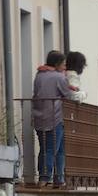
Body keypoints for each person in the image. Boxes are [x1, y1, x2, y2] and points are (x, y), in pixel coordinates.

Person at [32, 50, 75, 187]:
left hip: (39, 117)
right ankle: (46, 178)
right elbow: (68, 95)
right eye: (63, 64)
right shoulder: (58, 77)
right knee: (51, 149)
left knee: (49, 148)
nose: (65, 67)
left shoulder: (39, 75)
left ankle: (58, 178)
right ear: (57, 64)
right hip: (54, 118)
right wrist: (78, 93)